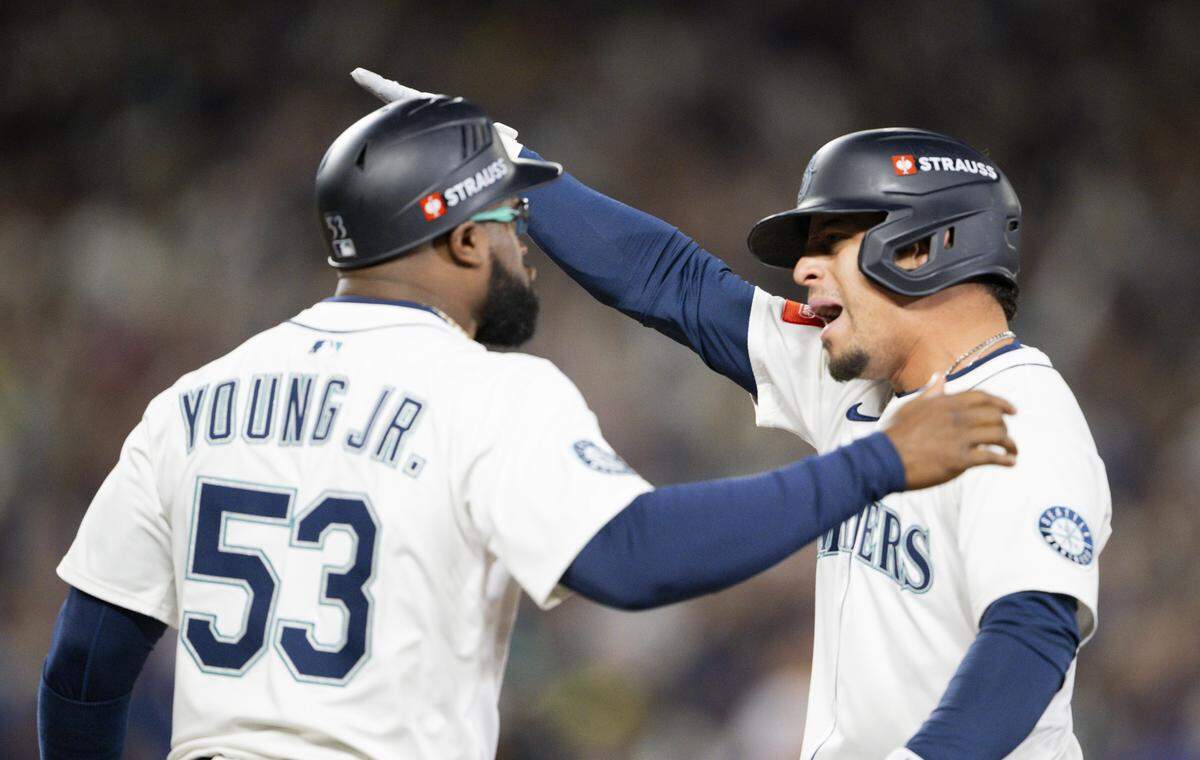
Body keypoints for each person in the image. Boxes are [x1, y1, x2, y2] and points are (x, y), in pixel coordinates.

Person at [39, 95, 1018, 760]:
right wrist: (874, 463)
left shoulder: (190, 402)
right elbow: (632, 560)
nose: (530, 246)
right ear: (465, 239)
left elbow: (84, 665)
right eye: (515, 222)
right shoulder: (488, 392)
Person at [351, 71, 1112, 759]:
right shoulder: (857, 379)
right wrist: (506, 169)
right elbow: (674, 284)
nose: (803, 268)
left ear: (923, 248)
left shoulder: (1022, 412)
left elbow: (1031, 633)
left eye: (832, 240)